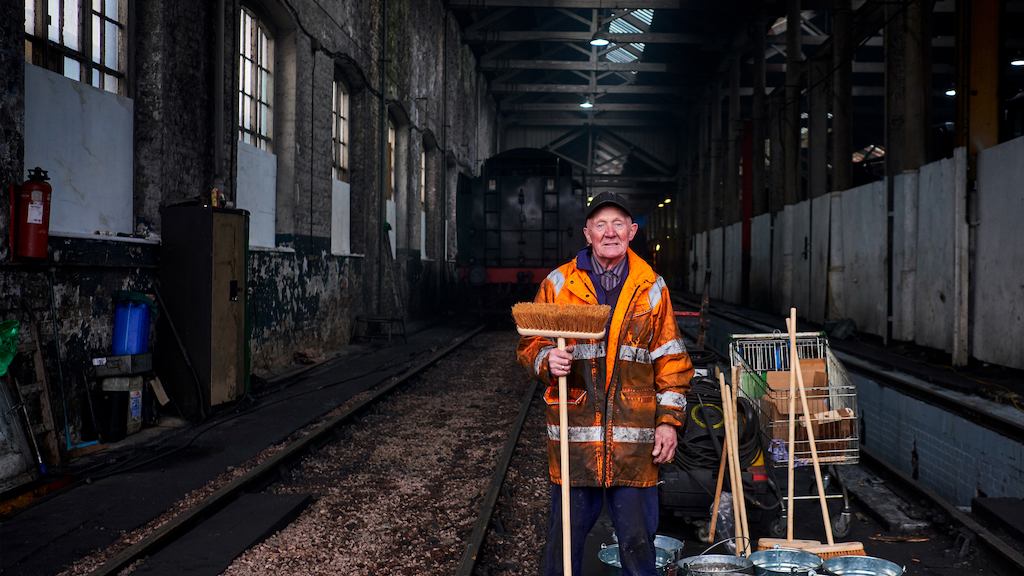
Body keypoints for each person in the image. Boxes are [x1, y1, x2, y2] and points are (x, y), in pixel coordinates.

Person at [516, 192, 694, 576]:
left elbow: (672, 361)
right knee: (563, 548)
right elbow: (530, 343)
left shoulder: (652, 287)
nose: (609, 232)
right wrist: (547, 359)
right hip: (575, 444)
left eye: (618, 224)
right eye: (600, 224)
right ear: (587, 233)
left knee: (638, 546)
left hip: (633, 448)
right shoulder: (559, 283)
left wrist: (667, 422)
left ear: (632, 232)